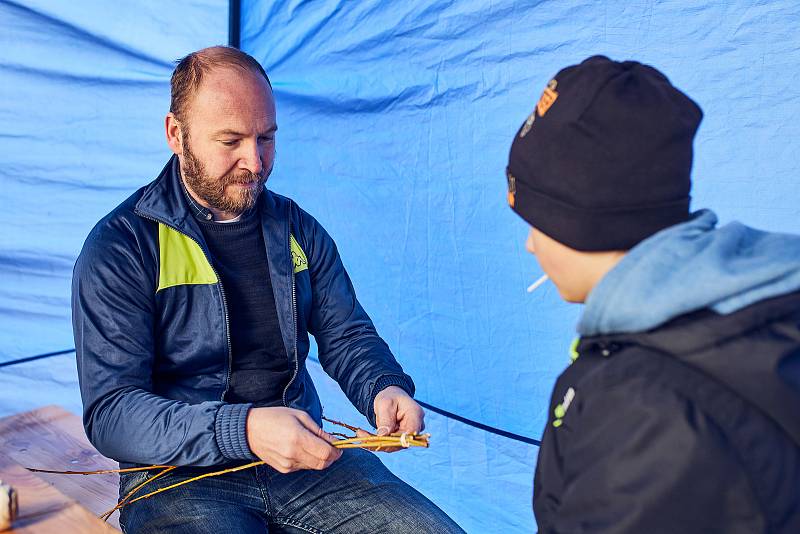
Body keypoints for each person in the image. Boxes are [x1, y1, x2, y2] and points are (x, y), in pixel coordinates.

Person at [72, 45, 464, 534]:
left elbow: (347, 336)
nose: (254, 162)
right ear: (176, 133)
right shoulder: (122, 247)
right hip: (178, 477)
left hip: (308, 461)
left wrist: (383, 387)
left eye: (266, 138)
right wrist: (246, 429)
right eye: (231, 140)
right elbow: (113, 413)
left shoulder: (297, 229)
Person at [506, 56, 800, 533]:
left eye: (536, 221)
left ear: (581, 221)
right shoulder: (760, 303)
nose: (530, 244)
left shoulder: (645, 413)